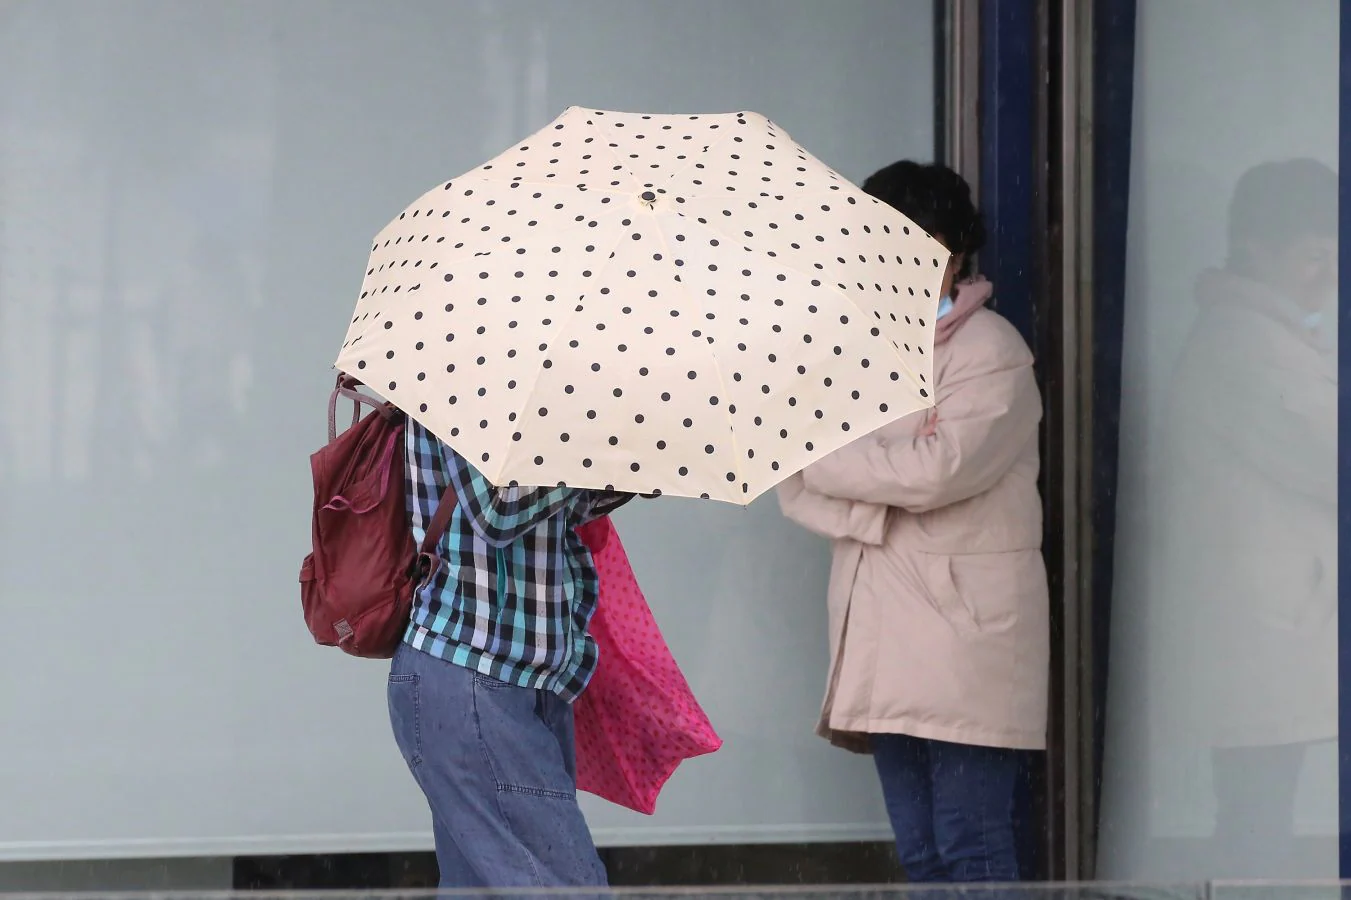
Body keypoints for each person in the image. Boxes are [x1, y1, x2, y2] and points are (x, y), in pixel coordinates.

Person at [777, 160, 1049, 883]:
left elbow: (935, 472)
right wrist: (877, 476)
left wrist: (840, 462)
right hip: (879, 631)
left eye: (926, 248)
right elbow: (795, 486)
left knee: (971, 844)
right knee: (922, 853)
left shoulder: (989, 350)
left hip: (962, 632)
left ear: (956, 252)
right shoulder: (852, 356)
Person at [1141, 158, 1336, 877]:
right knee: (1257, 824)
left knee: (1256, 813)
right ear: (1255, 249)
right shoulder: (1248, 347)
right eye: (1313, 256)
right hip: (1264, 633)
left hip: (1266, 630)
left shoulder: (1263, 340)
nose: (1326, 274)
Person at [387, 417, 633, 888]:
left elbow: (560, 509)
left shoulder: (531, 387)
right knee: (568, 887)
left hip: (521, 678)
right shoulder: (461, 364)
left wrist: (634, 467)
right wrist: (591, 458)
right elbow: (495, 512)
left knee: (484, 888)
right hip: (473, 670)